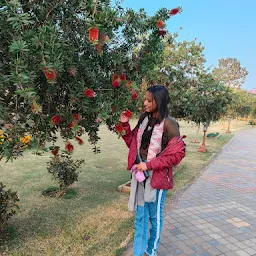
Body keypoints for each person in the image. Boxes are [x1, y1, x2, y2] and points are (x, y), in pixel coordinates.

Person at [120, 85, 186, 256]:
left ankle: (150, 251)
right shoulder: (144, 119)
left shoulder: (170, 124)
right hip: (140, 176)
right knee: (140, 217)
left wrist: (149, 165)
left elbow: (176, 155)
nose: (145, 103)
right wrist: (124, 125)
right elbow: (133, 144)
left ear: (160, 101)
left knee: (154, 217)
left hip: (157, 178)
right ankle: (138, 252)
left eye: (149, 100)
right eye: (145, 99)